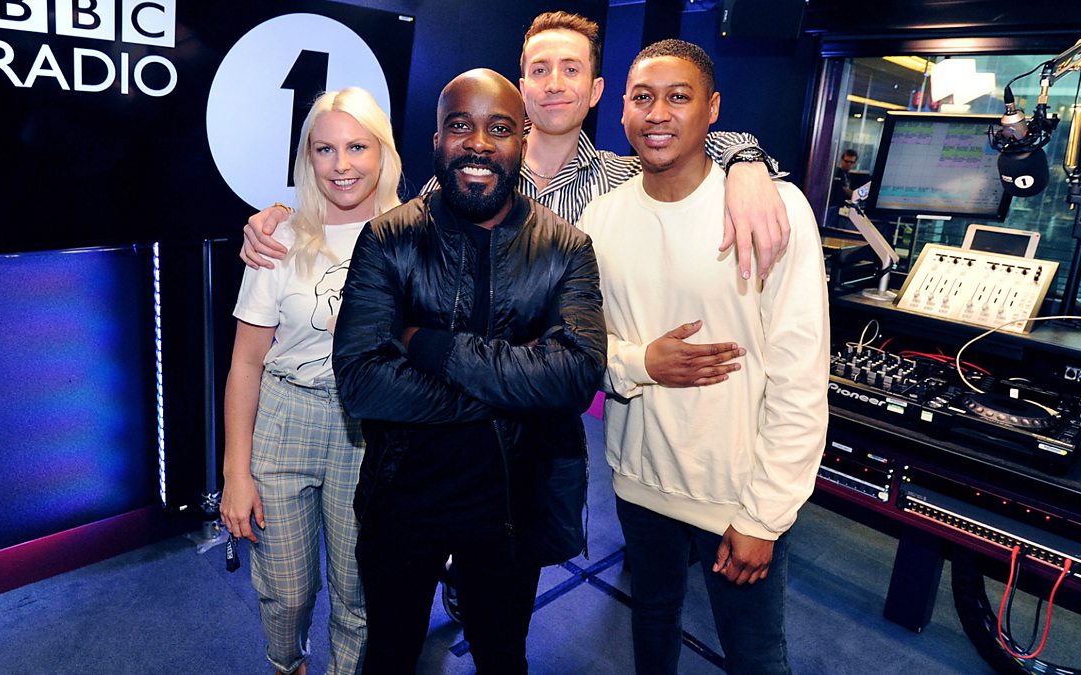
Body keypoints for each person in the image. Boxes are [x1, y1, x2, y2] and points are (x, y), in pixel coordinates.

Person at [330, 68, 606, 674]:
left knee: (503, 659)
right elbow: (361, 381)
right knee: (389, 656)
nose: (479, 143)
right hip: (403, 500)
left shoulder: (566, 248)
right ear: (436, 140)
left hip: (511, 507)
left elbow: (576, 375)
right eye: (461, 126)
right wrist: (517, 385)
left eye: (499, 129)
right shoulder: (388, 240)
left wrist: (432, 348)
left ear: (522, 141)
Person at [577, 40, 829, 674]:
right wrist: (640, 362)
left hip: (736, 496)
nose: (658, 113)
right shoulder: (599, 219)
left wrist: (765, 515)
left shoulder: (775, 211)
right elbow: (579, 346)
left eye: (678, 97)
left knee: (755, 655)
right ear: (623, 109)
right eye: (643, 98)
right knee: (651, 622)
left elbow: (800, 378)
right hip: (638, 482)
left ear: (712, 109)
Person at [240, 11, 791, 282]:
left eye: (571, 69)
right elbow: (388, 223)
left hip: (566, 409)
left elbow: (684, 148)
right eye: (541, 70)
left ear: (597, 91)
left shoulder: (624, 181)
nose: (555, 84)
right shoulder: (470, 175)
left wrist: (746, 160)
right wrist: (287, 215)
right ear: (521, 89)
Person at [219, 87, 402, 675]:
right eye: (325, 149)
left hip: (370, 427)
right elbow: (246, 363)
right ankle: (286, 664)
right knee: (287, 590)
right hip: (286, 418)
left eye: (357, 147)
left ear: (383, 151)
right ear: (308, 157)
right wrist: (235, 473)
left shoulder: (413, 234)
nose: (341, 164)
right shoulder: (278, 239)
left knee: (358, 591)